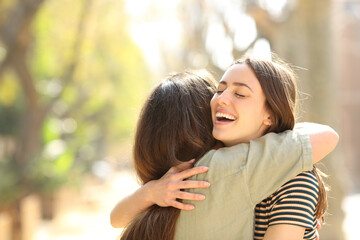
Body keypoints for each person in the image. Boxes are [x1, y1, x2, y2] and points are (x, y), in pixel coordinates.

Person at [111, 56, 338, 240]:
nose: (222, 99)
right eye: (219, 91)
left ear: (270, 114)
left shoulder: (293, 177)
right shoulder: (208, 169)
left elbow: (116, 219)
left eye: (240, 93)